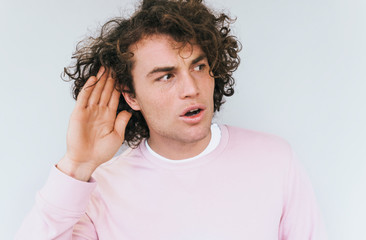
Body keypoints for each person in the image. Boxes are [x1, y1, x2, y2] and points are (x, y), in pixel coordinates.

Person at [16, 0, 327, 239]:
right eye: (166, 76)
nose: (191, 89)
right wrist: (76, 166)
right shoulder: (100, 190)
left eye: (199, 67)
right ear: (131, 95)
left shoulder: (275, 159)